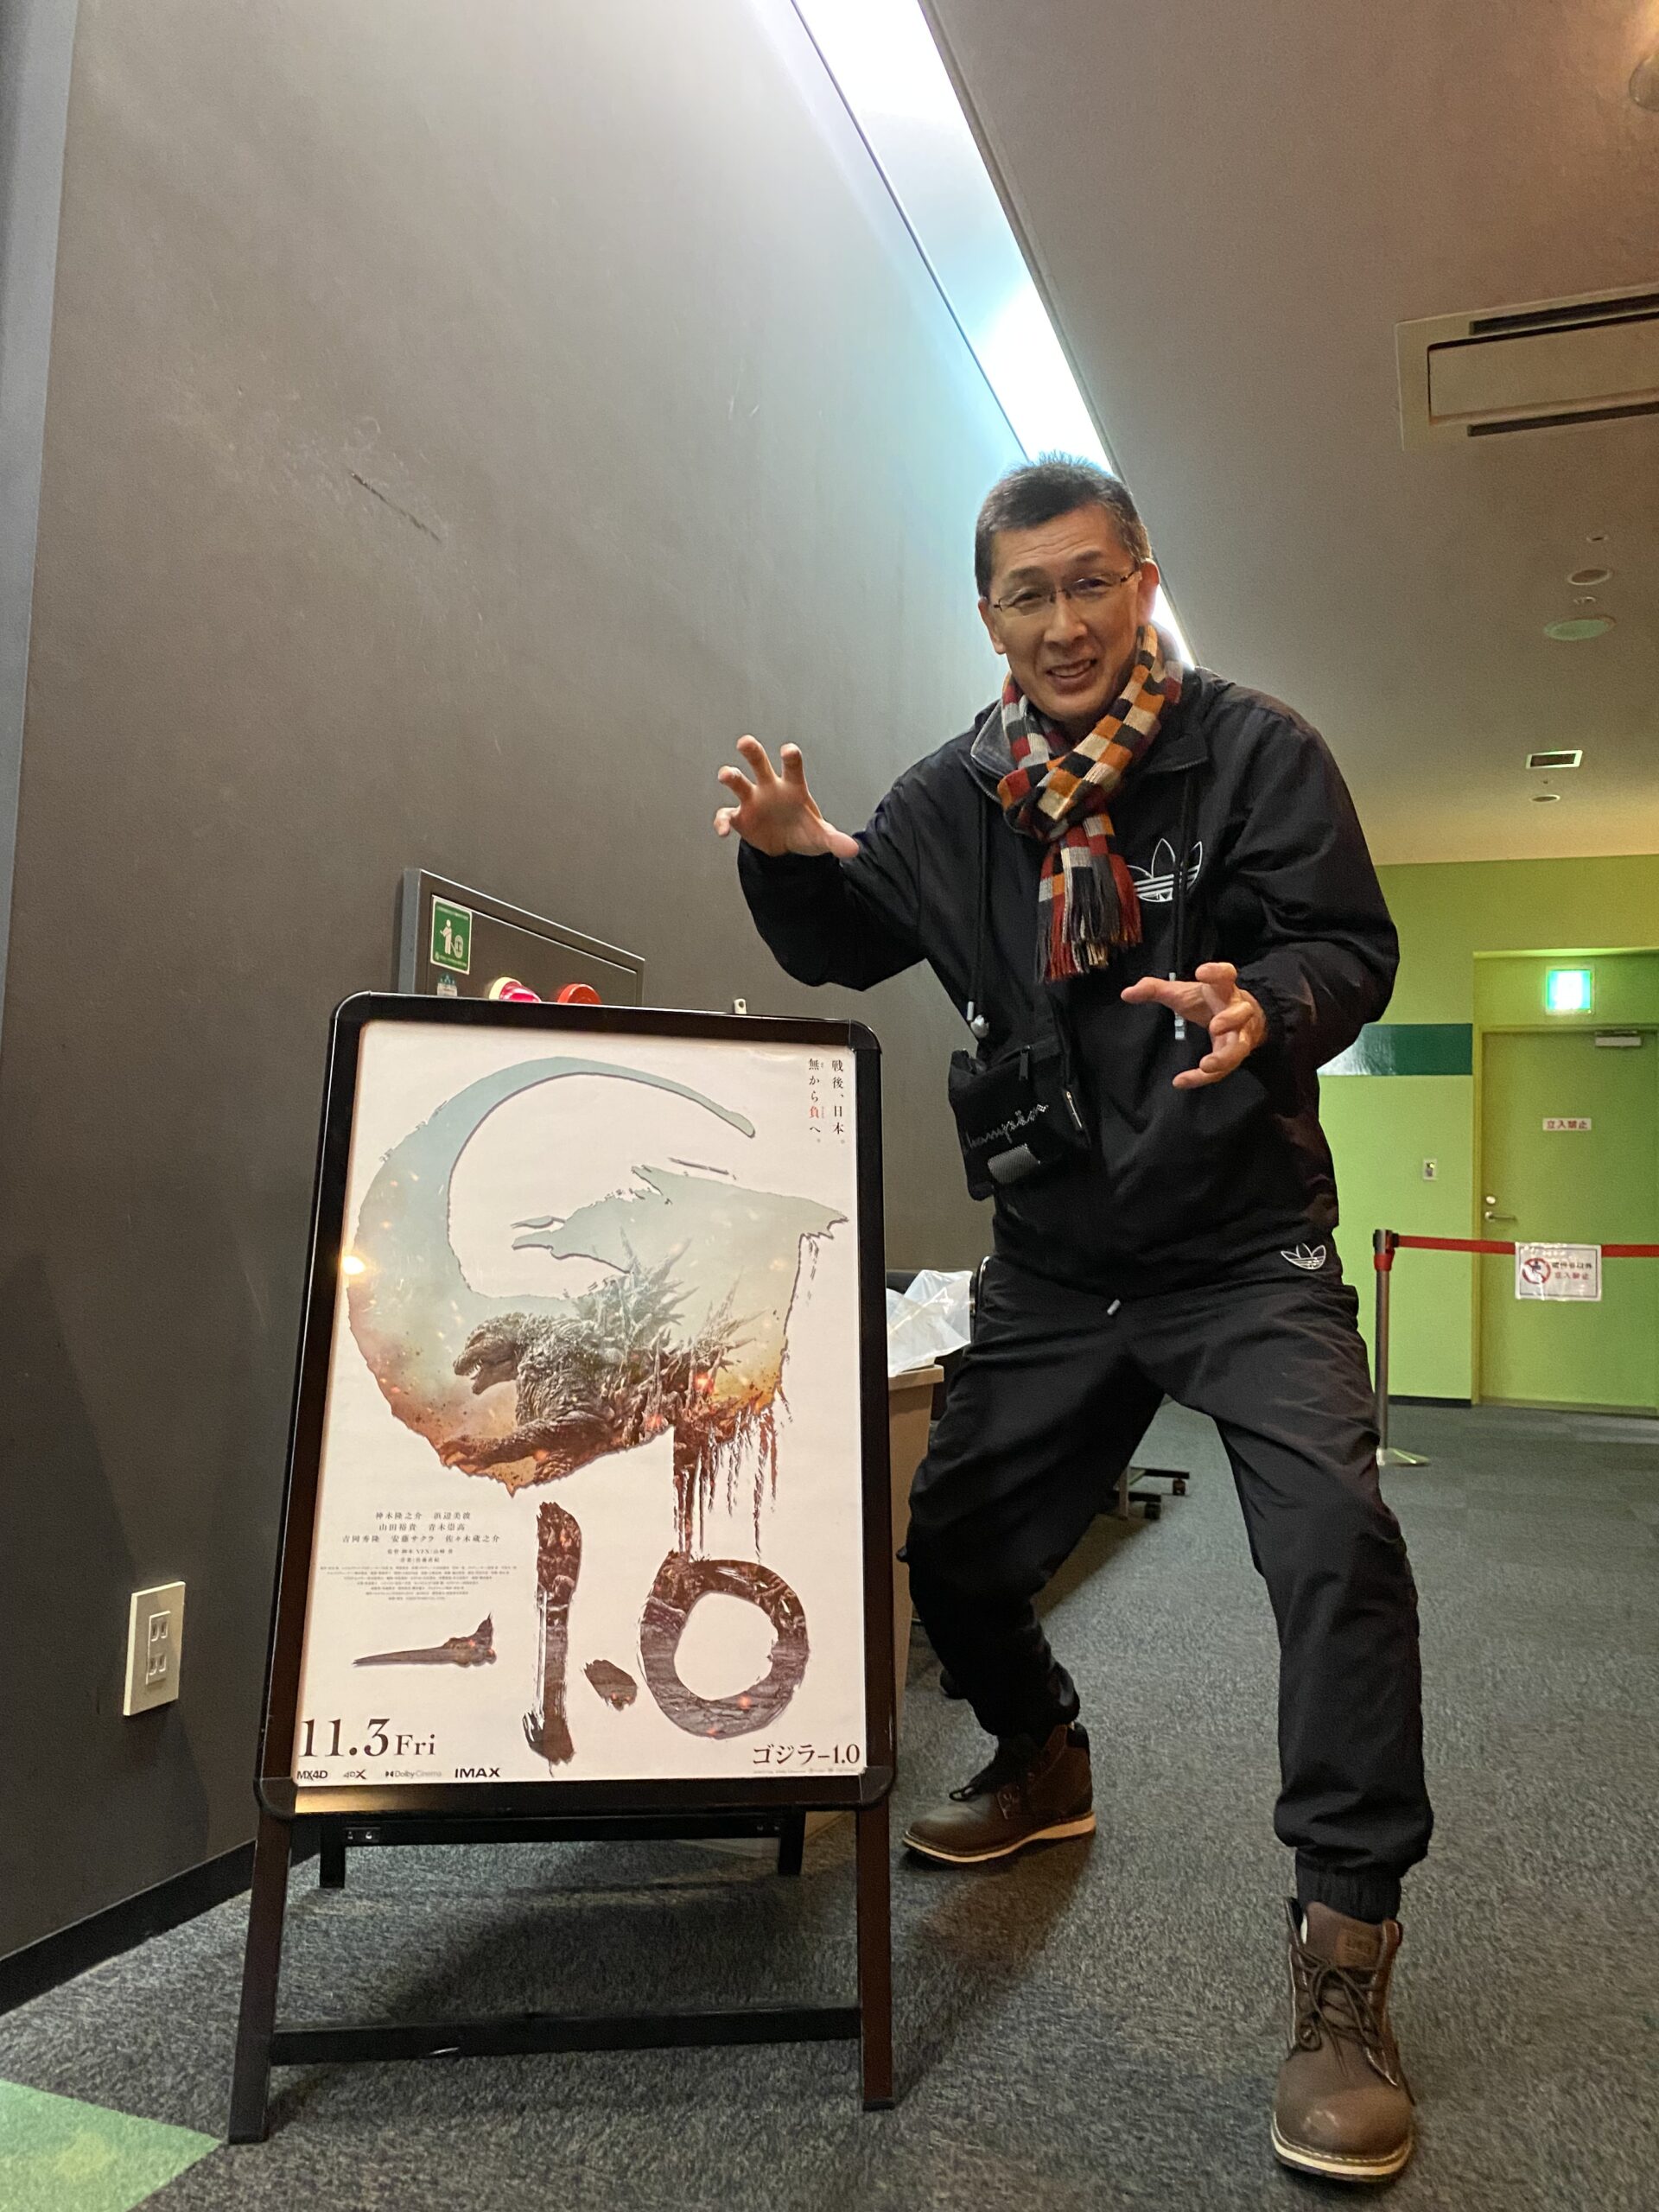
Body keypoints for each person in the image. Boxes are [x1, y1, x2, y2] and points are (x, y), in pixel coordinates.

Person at [715, 457, 1430, 2184]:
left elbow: (1349, 940)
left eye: (1091, 581)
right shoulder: (958, 793)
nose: (1063, 621)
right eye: (1027, 593)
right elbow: (850, 935)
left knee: (1335, 1540)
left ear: (1143, 581)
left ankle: (1345, 1957)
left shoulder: (1252, 751)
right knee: (954, 1550)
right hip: (1053, 1259)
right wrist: (792, 860)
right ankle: (1040, 1752)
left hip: (1243, 1244)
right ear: (990, 616)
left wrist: (1269, 998)